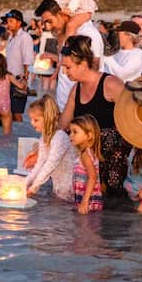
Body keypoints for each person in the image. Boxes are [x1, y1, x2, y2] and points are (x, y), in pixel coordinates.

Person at [56, 35, 130, 206]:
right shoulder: (76, 89)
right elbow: (63, 124)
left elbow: (133, 118)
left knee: (115, 209)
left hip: (114, 163)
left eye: (68, 68)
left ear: (82, 64)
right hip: (89, 161)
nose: (65, 73)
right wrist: (44, 146)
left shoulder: (110, 84)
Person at [35, 0, 104, 109]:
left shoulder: (88, 34)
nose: (48, 27)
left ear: (62, 14)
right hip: (65, 103)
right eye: (44, 23)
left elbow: (94, 70)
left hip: (80, 107)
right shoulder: (66, 35)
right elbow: (72, 63)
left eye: (49, 21)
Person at [21, 96, 75, 201]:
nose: (32, 123)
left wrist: (34, 187)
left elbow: (50, 165)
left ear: (47, 118)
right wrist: (24, 184)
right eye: (31, 119)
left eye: (36, 120)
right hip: (59, 187)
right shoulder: (44, 138)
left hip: (71, 187)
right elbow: (39, 165)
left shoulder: (59, 137)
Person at [1, 10, 34, 122]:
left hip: (19, 81)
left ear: (19, 22)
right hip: (8, 80)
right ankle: (11, 138)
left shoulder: (25, 37)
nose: (8, 24)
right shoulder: (11, 38)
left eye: (11, 21)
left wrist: (24, 80)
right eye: (7, 21)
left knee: (17, 113)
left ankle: (19, 137)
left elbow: (28, 61)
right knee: (8, 112)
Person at [68, 115, 104, 215]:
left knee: (84, 228)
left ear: (89, 135)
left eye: (75, 132)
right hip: (90, 200)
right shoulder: (89, 152)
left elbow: (92, 177)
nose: (71, 135)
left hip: (88, 201)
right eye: (70, 132)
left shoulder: (85, 155)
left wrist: (84, 201)